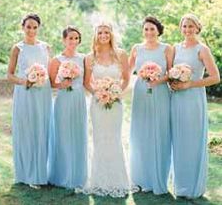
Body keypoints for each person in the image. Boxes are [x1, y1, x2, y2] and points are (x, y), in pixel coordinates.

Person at [79, 22, 135, 197]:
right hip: (97, 104)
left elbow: (126, 78)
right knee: (99, 138)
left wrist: (116, 92)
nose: (104, 35)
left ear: (111, 35)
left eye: (107, 32)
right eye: (100, 32)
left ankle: (118, 180)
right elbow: (87, 82)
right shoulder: (89, 57)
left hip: (116, 103)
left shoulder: (121, 54)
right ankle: (98, 180)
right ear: (96, 35)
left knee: (114, 137)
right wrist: (98, 92)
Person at [170, 14, 220, 199]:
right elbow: (170, 72)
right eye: (184, 26)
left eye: (191, 26)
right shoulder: (175, 48)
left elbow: (215, 77)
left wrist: (189, 84)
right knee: (179, 140)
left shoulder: (202, 49)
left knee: (192, 140)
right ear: (180, 28)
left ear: (197, 28)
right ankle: (180, 185)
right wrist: (172, 81)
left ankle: (193, 187)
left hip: (193, 99)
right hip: (176, 100)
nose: (187, 29)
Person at [129, 16, 173, 194]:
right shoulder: (136, 48)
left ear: (158, 31)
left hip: (160, 92)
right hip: (140, 92)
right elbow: (127, 70)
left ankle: (157, 179)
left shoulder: (167, 49)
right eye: (146, 29)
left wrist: (158, 79)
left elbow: (171, 72)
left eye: (152, 29)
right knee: (141, 133)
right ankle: (139, 178)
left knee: (158, 132)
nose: (149, 32)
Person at [7, 13, 52, 189]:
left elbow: (50, 71)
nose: (32, 30)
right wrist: (24, 81)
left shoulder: (46, 47)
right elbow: (9, 75)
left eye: (35, 27)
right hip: (25, 93)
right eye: (28, 27)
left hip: (43, 94)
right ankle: (27, 174)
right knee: (27, 129)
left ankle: (41, 171)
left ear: (38, 28)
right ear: (23, 27)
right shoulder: (18, 48)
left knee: (42, 129)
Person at [48, 26, 87, 188]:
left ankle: (78, 175)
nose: (73, 41)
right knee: (63, 135)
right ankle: (62, 175)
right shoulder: (57, 60)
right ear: (64, 40)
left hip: (79, 99)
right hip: (63, 100)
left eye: (76, 38)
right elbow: (51, 83)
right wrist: (61, 84)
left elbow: (87, 81)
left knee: (78, 135)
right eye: (70, 38)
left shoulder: (84, 58)